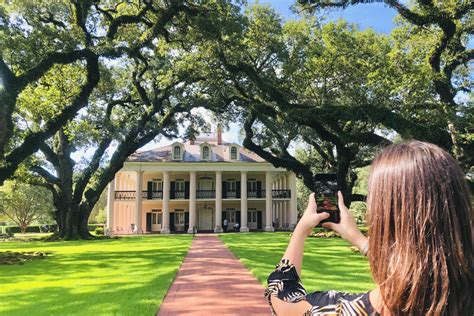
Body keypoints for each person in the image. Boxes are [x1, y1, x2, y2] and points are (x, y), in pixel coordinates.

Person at [265, 141, 473, 315]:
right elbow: (421, 272)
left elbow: (281, 292)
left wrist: (301, 230)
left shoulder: (348, 311)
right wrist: (358, 239)